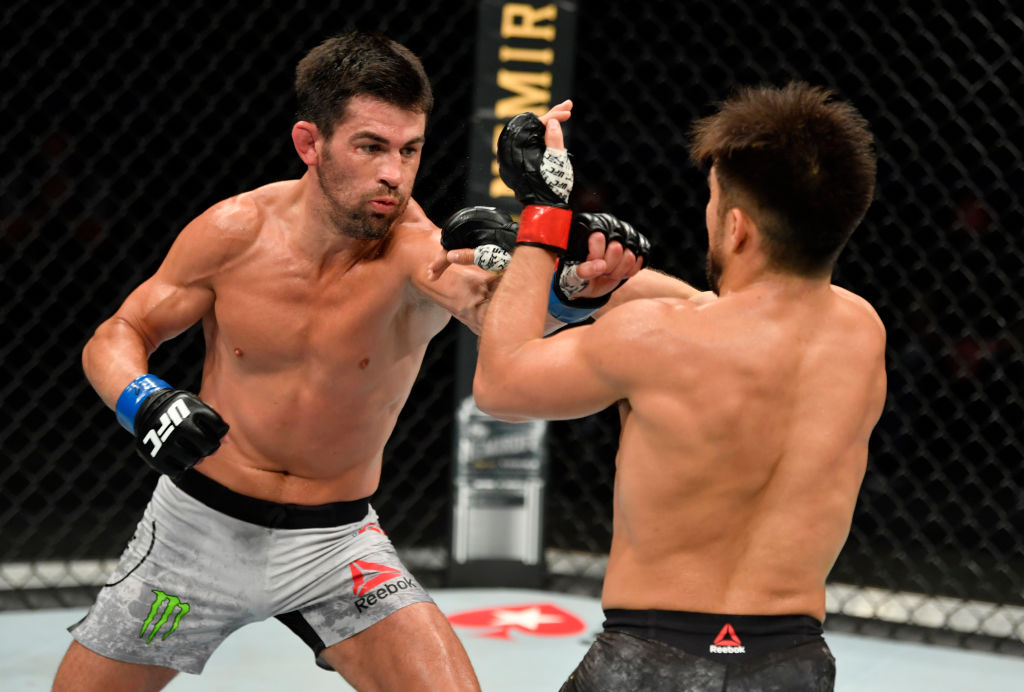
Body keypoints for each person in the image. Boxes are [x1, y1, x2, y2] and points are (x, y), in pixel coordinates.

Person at [52, 32, 649, 692]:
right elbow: (118, 333)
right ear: (311, 144)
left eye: (409, 149)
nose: (394, 172)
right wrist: (148, 402)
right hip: (198, 530)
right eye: (371, 147)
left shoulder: (421, 252)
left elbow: (503, 318)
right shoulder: (234, 231)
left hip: (336, 546)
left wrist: (570, 293)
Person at [472, 82, 886, 690]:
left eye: (714, 201)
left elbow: (500, 383)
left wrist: (541, 217)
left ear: (737, 227)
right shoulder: (861, 331)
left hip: (651, 658)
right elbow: (730, 323)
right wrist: (602, 284)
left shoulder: (654, 338)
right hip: (793, 665)